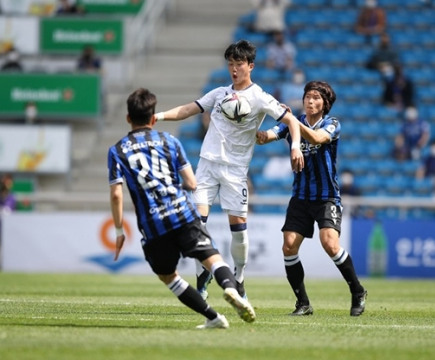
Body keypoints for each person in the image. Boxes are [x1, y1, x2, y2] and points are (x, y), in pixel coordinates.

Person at [155, 39, 304, 300]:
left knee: (239, 229)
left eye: (239, 64)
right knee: (196, 225)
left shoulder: (259, 97)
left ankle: (240, 278)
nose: (234, 69)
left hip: (236, 171)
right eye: (230, 64)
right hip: (207, 166)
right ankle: (202, 277)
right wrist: (160, 116)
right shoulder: (219, 93)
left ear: (251, 66)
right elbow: (189, 109)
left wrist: (296, 147)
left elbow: (291, 119)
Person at [108, 88, 256, 329]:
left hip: (153, 225)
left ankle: (214, 317)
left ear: (128, 118)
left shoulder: (117, 150)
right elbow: (191, 183)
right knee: (212, 258)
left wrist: (118, 230)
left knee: (169, 276)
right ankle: (232, 289)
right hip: (183, 213)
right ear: (153, 116)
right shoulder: (170, 141)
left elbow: (116, 194)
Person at [255, 81, 367, 316]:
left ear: (325, 103)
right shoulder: (292, 122)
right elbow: (266, 137)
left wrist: (291, 121)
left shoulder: (332, 124)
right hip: (300, 197)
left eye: (316, 97)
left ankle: (357, 290)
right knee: (288, 246)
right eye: (307, 96)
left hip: (327, 197)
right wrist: (250, 127)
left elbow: (317, 138)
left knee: (330, 244)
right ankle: (303, 303)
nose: (310, 100)